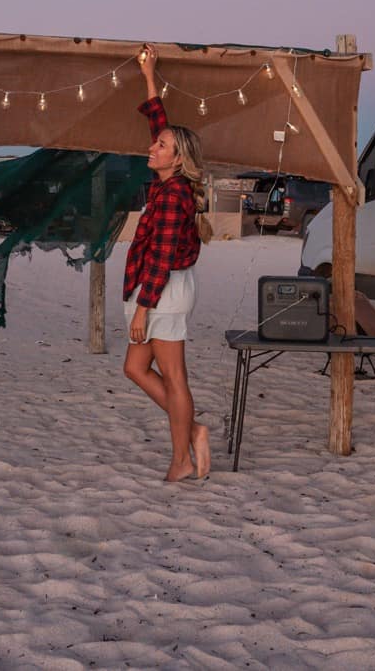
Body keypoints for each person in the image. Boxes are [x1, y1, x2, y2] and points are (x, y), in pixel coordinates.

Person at [122, 43, 214, 482]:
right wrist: (149, 75)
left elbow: (160, 255)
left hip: (163, 289)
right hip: (157, 287)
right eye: (156, 142)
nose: (153, 146)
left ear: (177, 159)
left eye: (161, 146)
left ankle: (182, 457)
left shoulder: (175, 194)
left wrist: (143, 306)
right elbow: (161, 123)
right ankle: (191, 429)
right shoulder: (168, 182)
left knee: (174, 376)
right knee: (135, 368)